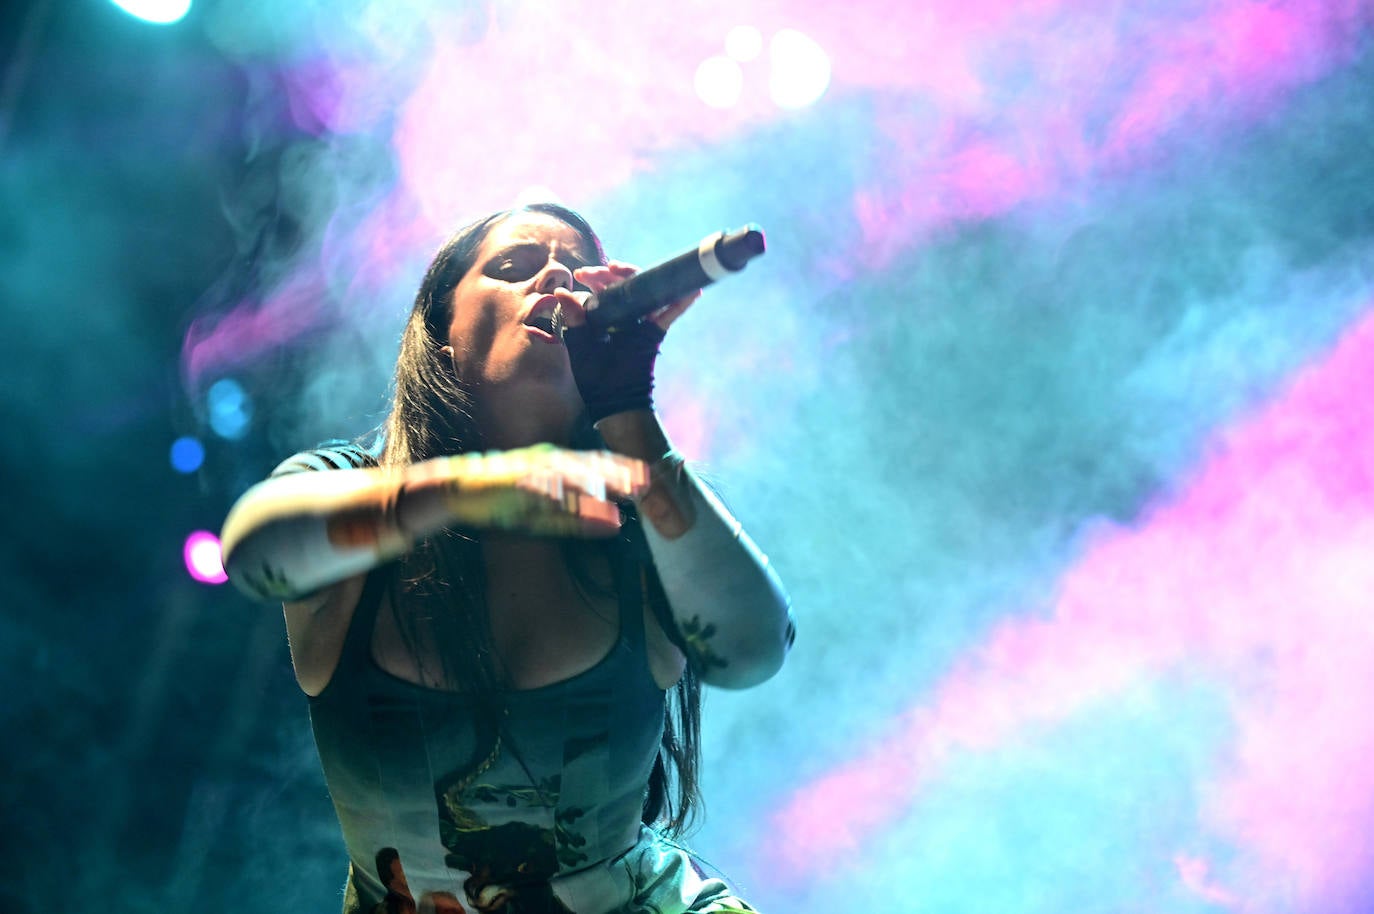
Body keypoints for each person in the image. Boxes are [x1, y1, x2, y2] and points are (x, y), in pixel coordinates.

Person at [219, 202, 795, 913]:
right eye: (516, 265)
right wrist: (470, 489)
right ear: (443, 335)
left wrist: (627, 406)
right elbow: (251, 552)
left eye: (577, 271)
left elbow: (754, 649)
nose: (556, 274)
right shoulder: (350, 488)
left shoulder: (642, 502)